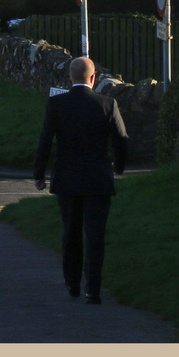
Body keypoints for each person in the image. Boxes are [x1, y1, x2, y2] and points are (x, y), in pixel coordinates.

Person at [34, 56, 130, 304]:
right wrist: (118, 167)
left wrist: (39, 174)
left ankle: (72, 284)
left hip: (67, 178)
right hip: (98, 179)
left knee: (71, 233)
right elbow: (122, 140)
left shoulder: (56, 104)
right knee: (95, 235)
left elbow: (45, 141)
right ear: (94, 77)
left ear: (70, 77)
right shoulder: (108, 103)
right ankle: (93, 291)